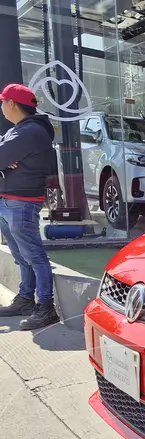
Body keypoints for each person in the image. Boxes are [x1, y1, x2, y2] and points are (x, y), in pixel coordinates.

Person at [0, 84, 60, 329]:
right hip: (10, 200)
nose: (1, 108)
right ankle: (26, 299)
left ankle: (46, 308)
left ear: (12, 103)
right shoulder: (21, 131)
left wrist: (4, 160)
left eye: (3, 102)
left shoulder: (30, 131)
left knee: (34, 255)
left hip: (21, 203)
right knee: (21, 256)